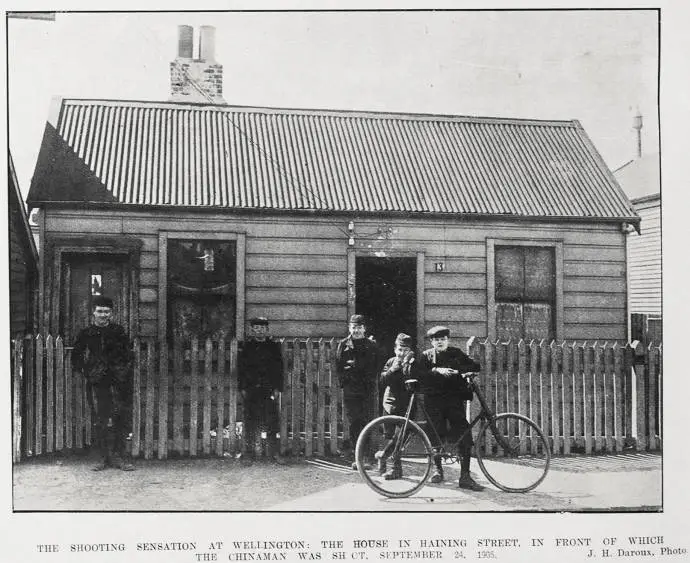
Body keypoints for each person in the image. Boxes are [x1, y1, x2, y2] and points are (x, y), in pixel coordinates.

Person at [71, 296, 134, 471]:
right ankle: (103, 458)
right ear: (93, 312)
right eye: (100, 311)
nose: (103, 315)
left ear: (111, 313)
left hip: (119, 381)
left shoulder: (118, 331)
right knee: (100, 418)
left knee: (120, 417)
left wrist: (122, 371)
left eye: (107, 312)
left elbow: (128, 354)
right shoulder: (86, 333)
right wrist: (88, 372)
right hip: (98, 382)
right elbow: (76, 356)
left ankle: (119, 458)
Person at [420, 325, 483, 490]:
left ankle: (465, 477)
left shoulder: (456, 353)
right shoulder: (426, 356)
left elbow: (475, 366)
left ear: (448, 340)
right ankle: (437, 470)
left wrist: (462, 372)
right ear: (432, 342)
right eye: (436, 340)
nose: (440, 342)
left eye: (442, 339)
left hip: (454, 401)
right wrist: (436, 370)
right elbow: (418, 374)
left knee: (464, 435)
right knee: (435, 434)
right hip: (434, 402)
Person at [238, 317, 285, 464]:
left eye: (262, 328)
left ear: (267, 330)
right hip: (251, 389)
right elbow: (241, 369)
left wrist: (277, 388)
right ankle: (248, 454)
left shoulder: (273, 347)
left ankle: (274, 453)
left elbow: (279, 369)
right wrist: (243, 388)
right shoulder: (247, 347)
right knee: (250, 422)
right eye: (256, 328)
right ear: (252, 330)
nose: (259, 331)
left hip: (268, 389)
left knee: (272, 422)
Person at [335, 314, 379, 470]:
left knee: (367, 420)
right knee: (354, 422)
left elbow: (374, 367)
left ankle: (367, 457)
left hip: (366, 389)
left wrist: (356, 366)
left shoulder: (371, 345)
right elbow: (339, 367)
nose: (356, 331)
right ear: (349, 328)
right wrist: (345, 382)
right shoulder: (343, 344)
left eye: (359, 327)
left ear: (364, 329)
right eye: (354, 327)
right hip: (351, 390)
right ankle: (357, 457)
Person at [376, 333, 421, 480]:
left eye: (405, 350)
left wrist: (409, 365)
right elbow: (382, 381)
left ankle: (394, 467)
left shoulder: (414, 363)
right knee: (390, 436)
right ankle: (384, 460)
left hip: (407, 404)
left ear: (410, 350)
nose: (402, 353)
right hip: (390, 404)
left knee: (400, 437)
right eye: (400, 349)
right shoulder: (390, 362)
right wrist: (392, 369)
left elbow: (417, 381)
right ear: (395, 349)